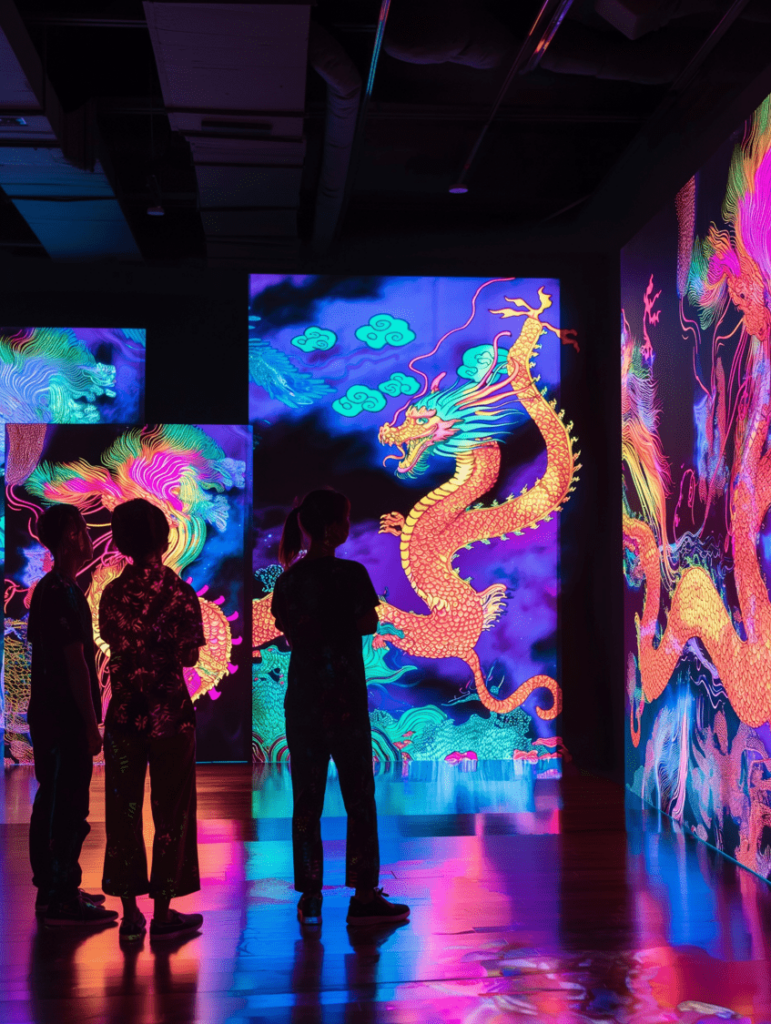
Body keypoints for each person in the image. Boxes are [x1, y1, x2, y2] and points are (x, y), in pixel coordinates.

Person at [271, 488, 410, 927]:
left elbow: (288, 632)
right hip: (345, 699)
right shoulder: (351, 574)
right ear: (333, 528)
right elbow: (368, 622)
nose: (349, 524)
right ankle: (364, 895)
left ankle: (310, 896)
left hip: (303, 700)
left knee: (306, 799)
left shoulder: (288, 581)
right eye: (346, 518)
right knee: (359, 796)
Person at [99, 498, 206, 941]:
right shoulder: (180, 593)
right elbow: (190, 655)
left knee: (123, 810)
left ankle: (130, 916)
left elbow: (112, 641)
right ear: (164, 539)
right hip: (170, 717)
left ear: (121, 542)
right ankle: (163, 913)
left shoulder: (112, 594)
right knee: (172, 812)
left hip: (125, 715)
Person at [28, 503, 118, 927]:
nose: (88, 535)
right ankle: (62, 897)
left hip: (49, 713)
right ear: (69, 536)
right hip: (63, 716)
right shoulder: (62, 592)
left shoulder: (54, 588)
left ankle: (53, 889)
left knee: (52, 799)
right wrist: (89, 723)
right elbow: (74, 663)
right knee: (67, 804)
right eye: (82, 528)